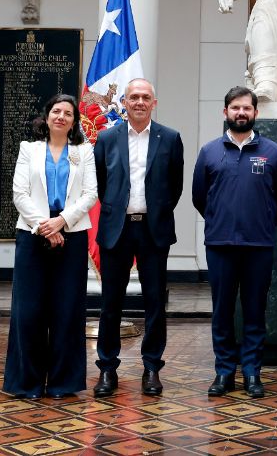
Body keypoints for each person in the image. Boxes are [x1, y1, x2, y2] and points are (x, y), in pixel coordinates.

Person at [193, 86, 277, 398]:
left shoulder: (272, 152)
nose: (241, 113)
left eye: (247, 108)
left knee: (254, 312)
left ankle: (251, 372)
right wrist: (221, 219)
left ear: (255, 113)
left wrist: (261, 221)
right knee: (221, 312)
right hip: (220, 245)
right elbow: (199, 197)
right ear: (225, 112)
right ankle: (224, 371)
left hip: (258, 245)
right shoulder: (209, 151)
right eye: (235, 107)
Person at [91, 79, 184, 398]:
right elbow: (101, 183)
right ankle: (107, 368)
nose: (140, 102)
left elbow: (175, 186)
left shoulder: (170, 138)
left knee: (155, 303)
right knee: (110, 303)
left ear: (154, 103)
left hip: (153, 230)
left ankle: (152, 367)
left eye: (145, 97)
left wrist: (156, 211)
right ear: (125, 102)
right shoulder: (107, 138)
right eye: (134, 97)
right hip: (116, 229)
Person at [5, 93, 97, 399]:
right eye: (56, 111)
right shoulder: (28, 149)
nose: (61, 117)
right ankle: (27, 383)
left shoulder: (84, 151)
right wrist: (46, 226)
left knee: (67, 310)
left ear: (74, 122)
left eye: (68, 113)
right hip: (33, 235)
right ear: (47, 117)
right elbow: (19, 193)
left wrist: (62, 222)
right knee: (29, 311)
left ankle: (63, 383)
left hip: (71, 236)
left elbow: (90, 194)